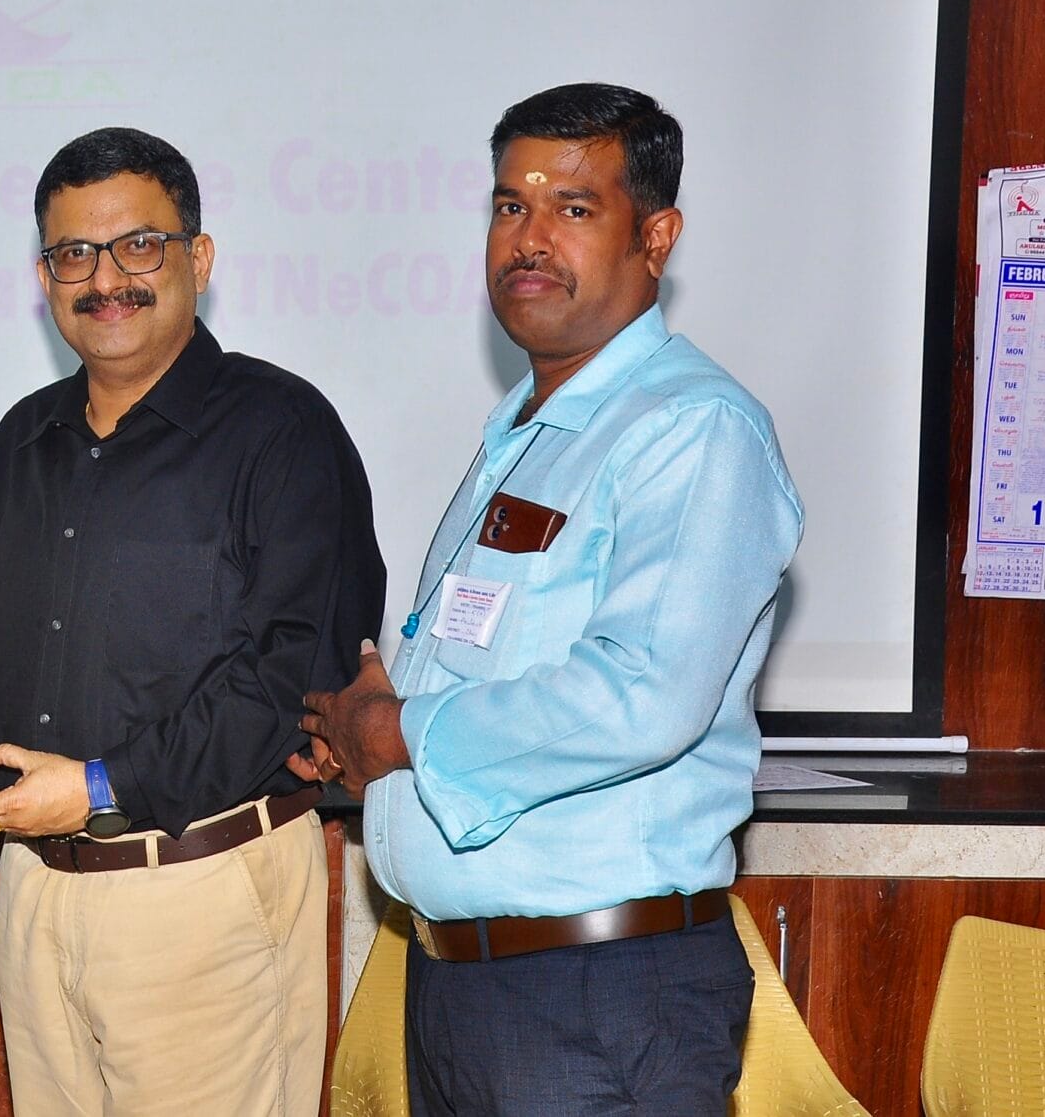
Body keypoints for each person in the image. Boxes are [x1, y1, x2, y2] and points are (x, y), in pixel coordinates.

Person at [299, 83, 804, 1115]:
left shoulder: (692, 430)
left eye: (573, 208)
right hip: (462, 990)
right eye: (508, 207)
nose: (528, 240)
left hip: (597, 999)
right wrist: (361, 744)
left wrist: (398, 734)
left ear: (655, 237)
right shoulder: (526, 432)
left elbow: (641, 696)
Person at [0, 126, 386, 1115]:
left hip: (201, 887)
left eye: (138, 245)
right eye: (73, 254)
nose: (106, 279)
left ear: (198, 258)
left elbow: (291, 685)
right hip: (34, 888)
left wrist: (101, 787)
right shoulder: (20, 440)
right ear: (44, 277)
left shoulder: (282, 431)